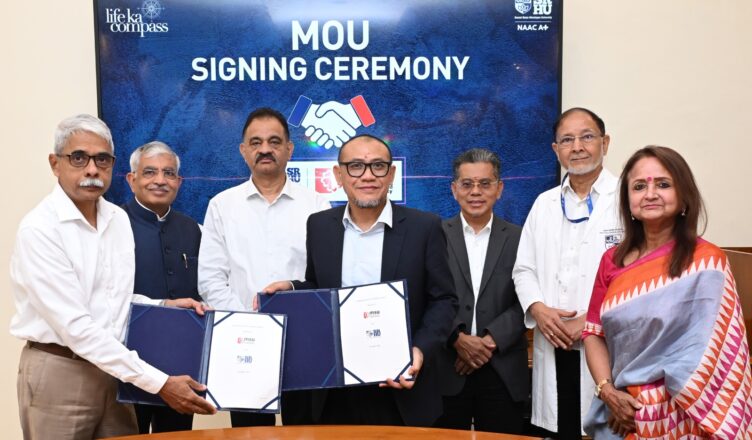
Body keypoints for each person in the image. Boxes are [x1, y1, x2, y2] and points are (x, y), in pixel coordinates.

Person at [10, 114, 216, 439]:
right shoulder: (40, 229)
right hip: (62, 370)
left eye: (102, 159)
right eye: (79, 158)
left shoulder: (117, 219)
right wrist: (159, 382)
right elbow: (77, 326)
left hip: (115, 372)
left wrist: (163, 305)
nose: (92, 169)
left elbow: (111, 298)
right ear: (55, 163)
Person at [264, 134, 457, 427]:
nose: (368, 176)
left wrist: (419, 349)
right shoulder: (319, 226)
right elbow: (320, 287)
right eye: (355, 166)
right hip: (334, 388)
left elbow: (443, 300)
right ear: (338, 175)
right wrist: (292, 288)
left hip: (400, 385)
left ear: (391, 174)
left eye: (378, 166)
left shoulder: (425, 227)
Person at [582, 146, 752, 439]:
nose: (650, 194)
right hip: (623, 414)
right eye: (639, 186)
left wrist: (652, 405)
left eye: (663, 184)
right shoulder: (612, 261)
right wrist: (608, 392)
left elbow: (719, 355)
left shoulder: (707, 263)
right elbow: (593, 333)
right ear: (627, 200)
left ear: (684, 196)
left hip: (688, 417)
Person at [198, 107, 330, 427]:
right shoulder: (222, 206)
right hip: (244, 341)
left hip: (303, 340)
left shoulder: (316, 205)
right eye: (256, 143)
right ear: (244, 151)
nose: (265, 149)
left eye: (274, 141)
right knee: (250, 433)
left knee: (305, 431)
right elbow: (210, 279)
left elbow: (324, 277)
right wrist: (249, 324)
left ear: (289, 149)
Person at [513, 107, 622, 438]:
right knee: (562, 428)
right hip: (553, 341)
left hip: (605, 343)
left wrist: (591, 321)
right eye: (567, 140)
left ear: (605, 143)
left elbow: (638, 276)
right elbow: (523, 269)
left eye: (587, 137)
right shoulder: (543, 203)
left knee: (604, 428)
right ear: (555, 149)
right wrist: (538, 310)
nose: (577, 147)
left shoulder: (627, 200)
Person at [435, 148, 528, 434]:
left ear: (499, 189)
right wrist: (458, 339)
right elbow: (428, 296)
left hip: (503, 367)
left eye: (485, 183)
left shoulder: (522, 238)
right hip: (448, 367)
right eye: (467, 184)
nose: (476, 191)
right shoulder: (434, 235)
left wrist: (489, 342)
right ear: (454, 190)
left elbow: (528, 299)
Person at [122, 141, 202, 433]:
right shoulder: (113, 225)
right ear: (131, 179)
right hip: (127, 362)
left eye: (169, 173)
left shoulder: (192, 228)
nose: (160, 180)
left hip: (181, 362)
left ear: (179, 182)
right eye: (149, 172)